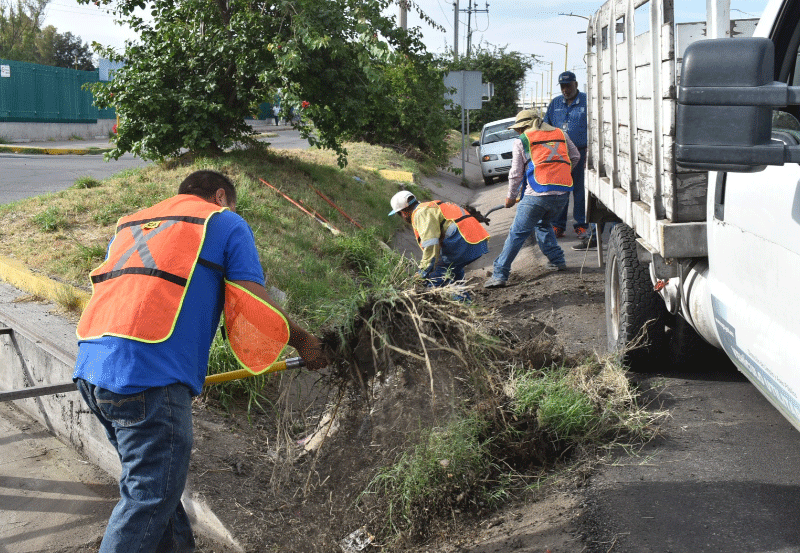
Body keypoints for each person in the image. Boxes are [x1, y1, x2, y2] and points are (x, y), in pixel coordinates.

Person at [73, 170, 328, 553]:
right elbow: (253, 300)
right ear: (221, 196)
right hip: (149, 377)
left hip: (92, 368)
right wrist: (306, 343)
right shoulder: (222, 220)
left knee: (156, 489)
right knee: (149, 497)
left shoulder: (134, 222)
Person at [484, 109, 581, 288]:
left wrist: (510, 197)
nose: (518, 132)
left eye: (519, 129)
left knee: (517, 233)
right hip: (562, 194)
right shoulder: (561, 134)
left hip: (537, 194)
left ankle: (499, 274)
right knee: (543, 223)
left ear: (525, 126)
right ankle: (557, 260)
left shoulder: (522, 141)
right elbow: (575, 157)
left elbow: (515, 174)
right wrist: (561, 174)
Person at [388, 192, 489, 296]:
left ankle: (448, 301)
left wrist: (423, 272)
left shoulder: (420, 213)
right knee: (453, 273)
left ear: (403, 212)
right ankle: (463, 302)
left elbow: (431, 245)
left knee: (434, 278)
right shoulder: (431, 206)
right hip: (478, 240)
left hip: (464, 242)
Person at [544, 71, 588, 241]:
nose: (565, 90)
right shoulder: (555, 103)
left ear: (575, 84)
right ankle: (558, 225)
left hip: (581, 153)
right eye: (562, 86)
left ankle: (581, 225)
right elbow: (546, 127)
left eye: (568, 86)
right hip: (560, 155)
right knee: (560, 191)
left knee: (579, 191)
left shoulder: (586, 101)